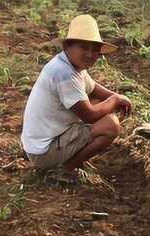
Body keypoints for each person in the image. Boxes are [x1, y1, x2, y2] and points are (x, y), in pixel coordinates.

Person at [21, 14, 132, 182]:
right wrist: (115, 101)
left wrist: (116, 96)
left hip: (42, 144)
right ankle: (67, 168)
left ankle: (71, 159)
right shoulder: (64, 73)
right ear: (67, 46)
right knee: (110, 125)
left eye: (95, 50)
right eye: (84, 47)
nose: (90, 54)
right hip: (44, 153)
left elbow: (94, 90)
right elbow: (89, 115)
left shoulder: (71, 66)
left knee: (98, 104)